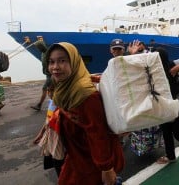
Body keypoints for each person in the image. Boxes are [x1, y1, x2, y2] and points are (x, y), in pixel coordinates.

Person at [45, 42, 124, 185]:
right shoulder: (65, 86)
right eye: (51, 62)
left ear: (74, 62)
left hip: (91, 163)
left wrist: (106, 168)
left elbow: (98, 134)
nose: (55, 67)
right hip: (76, 156)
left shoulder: (85, 94)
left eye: (62, 61)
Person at [154, 47, 179, 164]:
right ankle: (170, 156)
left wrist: (178, 68)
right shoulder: (153, 70)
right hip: (163, 106)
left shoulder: (172, 64)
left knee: (178, 133)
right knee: (166, 133)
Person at [31, 42, 52, 111]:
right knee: (51, 89)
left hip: (51, 75)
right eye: (37, 47)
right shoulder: (42, 53)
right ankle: (55, 104)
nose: (38, 49)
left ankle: (39, 105)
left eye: (38, 47)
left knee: (44, 88)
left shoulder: (49, 54)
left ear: (42, 46)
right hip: (47, 74)